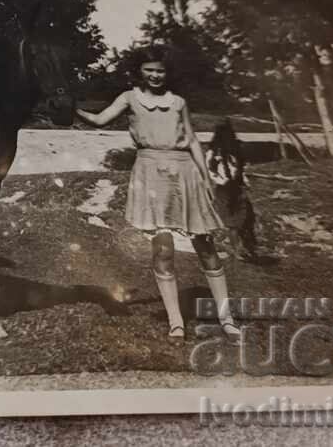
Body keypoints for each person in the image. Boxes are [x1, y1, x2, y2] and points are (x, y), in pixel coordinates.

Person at [76, 45, 239, 341]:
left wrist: (205, 177)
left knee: (206, 246)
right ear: (139, 71)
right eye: (149, 70)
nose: (155, 75)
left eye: (160, 71)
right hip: (150, 172)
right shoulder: (129, 98)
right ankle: (176, 321)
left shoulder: (178, 102)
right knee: (163, 250)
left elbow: (192, 140)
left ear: (168, 73)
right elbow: (99, 120)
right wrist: (69, 108)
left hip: (185, 172)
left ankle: (226, 318)